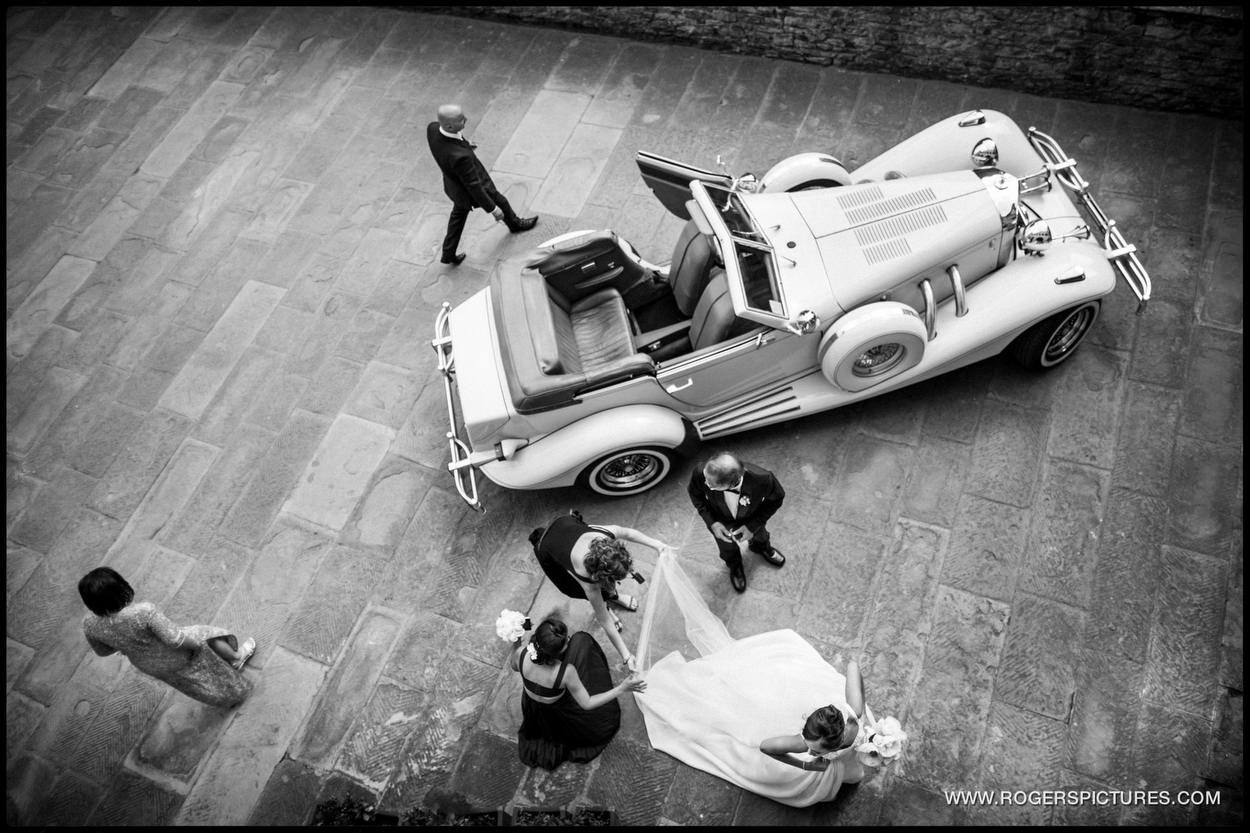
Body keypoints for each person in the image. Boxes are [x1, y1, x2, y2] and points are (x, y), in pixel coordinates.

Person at [78, 567, 256, 708]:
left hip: (148, 665)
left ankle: (224, 700)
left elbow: (102, 651)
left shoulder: (89, 625)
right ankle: (237, 657)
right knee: (208, 635)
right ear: (120, 589)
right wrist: (197, 645)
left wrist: (123, 644)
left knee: (192, 683)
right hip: (176, 653)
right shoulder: (143, 612)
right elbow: (175, 640)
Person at [529, 512, 674, 672]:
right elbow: (604, 621)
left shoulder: (605, 536)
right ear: (598, 576)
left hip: (565, 525)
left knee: (603, 591)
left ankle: (615, 597)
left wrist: (657, 545)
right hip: (548, 547)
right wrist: (626, 656)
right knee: (577, 590)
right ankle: (609, 606)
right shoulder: (587, 579)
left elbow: (628, 533)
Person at [510, 616, 646, 769]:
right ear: (556, 653)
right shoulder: (566, 672)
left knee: (578, 641)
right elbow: (587, 703)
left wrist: (516, 638)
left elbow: (514, 666)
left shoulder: (521, 654)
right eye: (566, 643)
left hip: (533, 708)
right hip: (560, 711)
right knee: (581, 640)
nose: (569, 639)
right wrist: (622, 688)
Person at [426, 103, 538, 265]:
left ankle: (448, 253)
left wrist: (464, 143)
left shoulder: (433, 128)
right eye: (460, 120)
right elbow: (474, 186)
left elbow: (448, 144)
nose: (466, 119)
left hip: (453, 185)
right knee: (499, 200)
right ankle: (515, 224)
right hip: (471, 185)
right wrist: (492, 209)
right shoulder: (460, 158)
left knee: (458, 216)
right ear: (450, 125)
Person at [687, 452, 786, 593]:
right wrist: (712, 522)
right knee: (726, 547)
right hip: (720, 519)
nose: (705, 483)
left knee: (760, 536)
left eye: (711, 484)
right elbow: (695, 495)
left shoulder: (763, 479)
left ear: (732, 483)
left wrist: (752, 526)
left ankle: (762, 548)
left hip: (752, 518)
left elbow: (777, 499)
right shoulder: (702, 472)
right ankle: (735, 566)